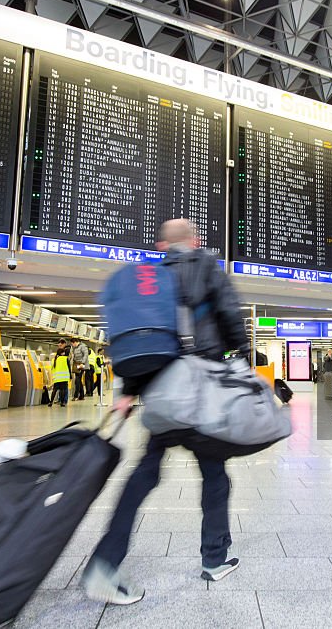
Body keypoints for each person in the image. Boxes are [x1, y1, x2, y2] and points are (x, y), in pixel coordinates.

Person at [83, 219, 249, 605]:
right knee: (214, 475)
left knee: (144, 473)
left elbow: (145, 335)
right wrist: (242, 358)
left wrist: (129, 391)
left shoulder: (153, 276)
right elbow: (230, 316)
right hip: (200, 391)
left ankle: (105, 564)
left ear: (162, 245)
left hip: (162, 392)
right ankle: (214, 558)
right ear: (195, 240)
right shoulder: (207, 265)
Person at [49, 340, 71, 408]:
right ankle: (62, 402)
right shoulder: (65, 358)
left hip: (56, 378)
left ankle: (51, 402)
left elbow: (51, 368)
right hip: (64, 377)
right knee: (62, 390)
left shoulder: (54, 359)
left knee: (54, 390)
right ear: (62, 353)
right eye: (63, 352)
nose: (64, 353)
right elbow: (69, 368)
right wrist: (70, 376)